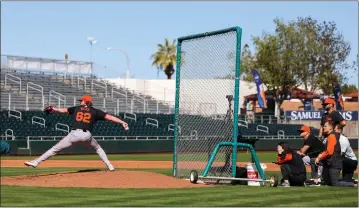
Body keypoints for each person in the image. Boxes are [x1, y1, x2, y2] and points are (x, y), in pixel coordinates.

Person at [24, 95, 129, 171]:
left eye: (82, 101)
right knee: (98, 148)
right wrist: (122, 122)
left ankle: (36, 162)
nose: (80, 102)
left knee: (54, 149)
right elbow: (109, 117)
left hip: (74, 134)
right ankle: (109, 165)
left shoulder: (76, 108)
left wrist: (53, 109)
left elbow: (62, 110)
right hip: (87, 135)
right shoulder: (95, 111)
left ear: (85, 102)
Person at [315, 121, 356, 187]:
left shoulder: (331, 136)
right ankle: (346, 181)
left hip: (335, 164)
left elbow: (329, 152)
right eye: (323, 126)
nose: (323, 127)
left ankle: (354, 184)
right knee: (328, 182)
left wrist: (320, 157)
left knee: (335, 183)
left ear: (331, 128)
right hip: (331, 163)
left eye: (325, 126)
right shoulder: (330, 136)